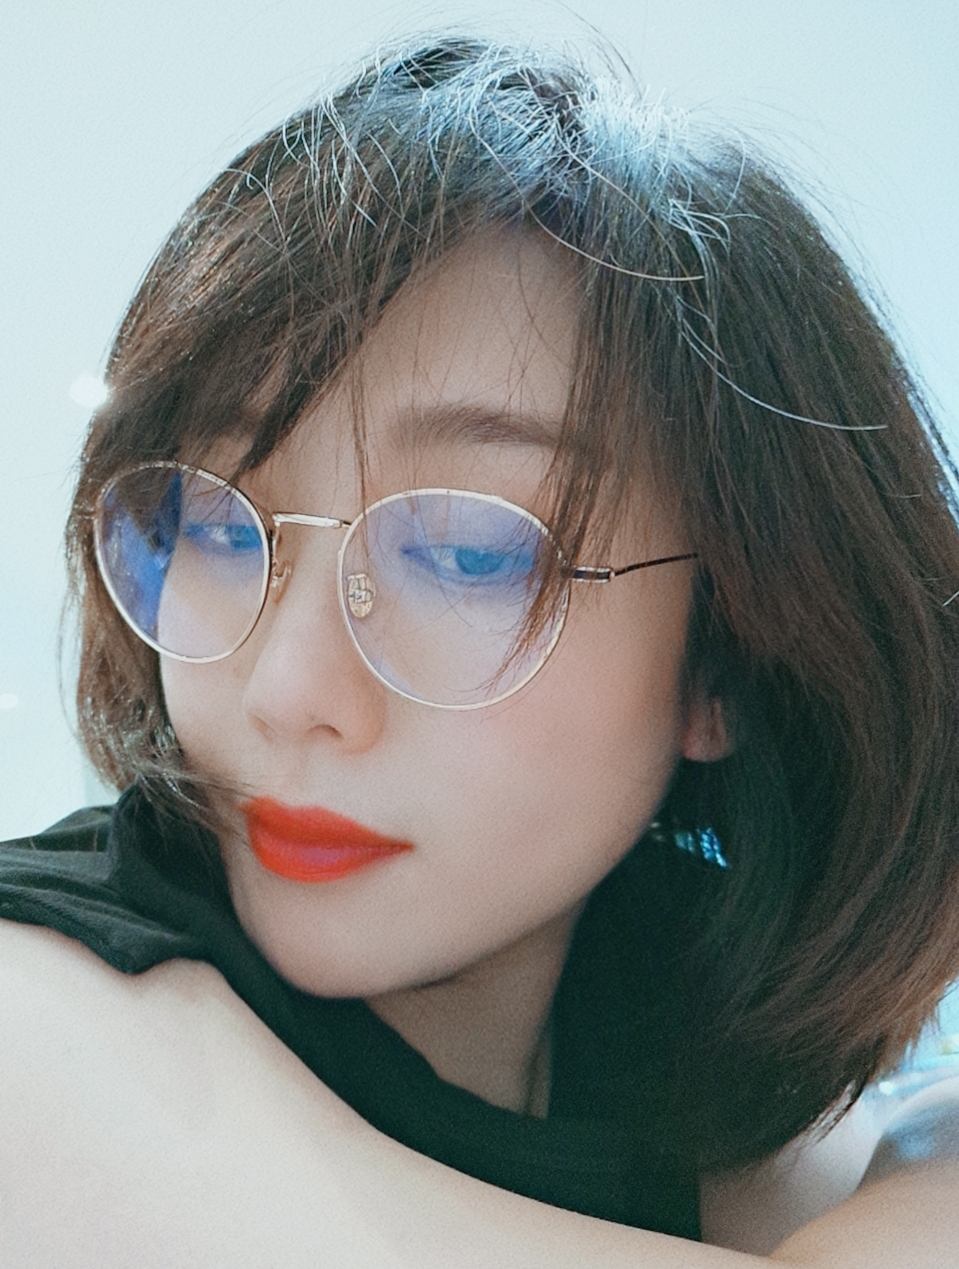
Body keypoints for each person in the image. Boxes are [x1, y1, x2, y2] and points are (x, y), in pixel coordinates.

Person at [2, 35, 959, 1266]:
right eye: (219, 529)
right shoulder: (39, 1016)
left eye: (465, 554)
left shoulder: (684, 1067)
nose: (288, 691)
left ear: (723, 658)